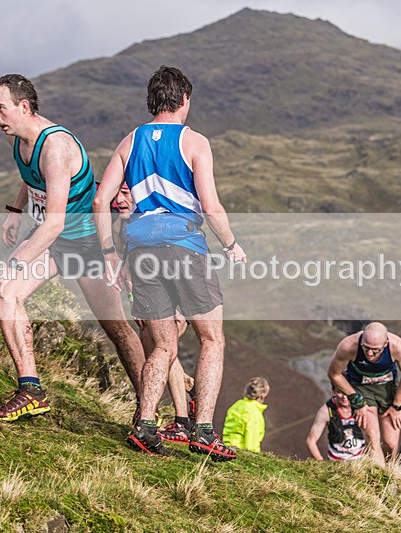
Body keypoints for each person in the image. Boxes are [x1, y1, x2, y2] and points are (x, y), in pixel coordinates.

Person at [93, 65, 247, 460]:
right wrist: (231, 244)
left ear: (152, 100)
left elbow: (100, 201)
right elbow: (210, 207)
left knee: (162, 346)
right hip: (184, 246)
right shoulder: (195, 142)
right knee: (211, 338)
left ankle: (145, 425)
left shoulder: (130, 141)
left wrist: (111, 253)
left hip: (140, 248)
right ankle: (205, 432)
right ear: (184, 100)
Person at [0, 74, 145, 422]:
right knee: (5, 294)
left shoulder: (56, 148)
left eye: (0, 109)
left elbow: (55, 221)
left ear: (23, 107)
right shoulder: (21, 139)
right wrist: (14, 211)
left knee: (116, 328)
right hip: (52, 239)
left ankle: (147, 409)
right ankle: (31, 391)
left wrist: (15, 262)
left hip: (84, 243)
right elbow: (35, 180)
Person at [112, 182, 196, 441]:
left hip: (172, 300)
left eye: (125, 193)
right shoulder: (120, 227)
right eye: (116, 194)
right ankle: (183, 402)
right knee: (163, 351)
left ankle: (180, 420)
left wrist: (181, 307)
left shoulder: (159, 223)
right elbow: (127, 272)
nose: (119, 200)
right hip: (148, 300)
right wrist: (134, 301)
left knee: (163, 349)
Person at [327, 322, 401, 463]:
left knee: (391, 444)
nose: (369, 353)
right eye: (366, 348)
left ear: (386, 343)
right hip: (360, 388)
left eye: (375, 350)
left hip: (387, 388)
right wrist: (356, 400)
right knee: (373, 439)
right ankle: (381, 480)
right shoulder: (349, 346)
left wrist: (397, 405)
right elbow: (334, 374)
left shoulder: (398, 346)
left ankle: (390, 472)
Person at [306, 385, 366, 461]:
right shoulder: (326, 411)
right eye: (340, 392)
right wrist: (321, 463)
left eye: (347, 392)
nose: (344, 397)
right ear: (334, 390)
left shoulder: (362, 406)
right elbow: (311, 441)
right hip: (336, 461)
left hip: (361, 459)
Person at [222, 377, 270, 453]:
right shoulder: (254, 412)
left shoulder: (236, 405)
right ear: (262, 396)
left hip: (227, 446)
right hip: (241, 450)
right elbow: (252, 438)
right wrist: (254, 455)